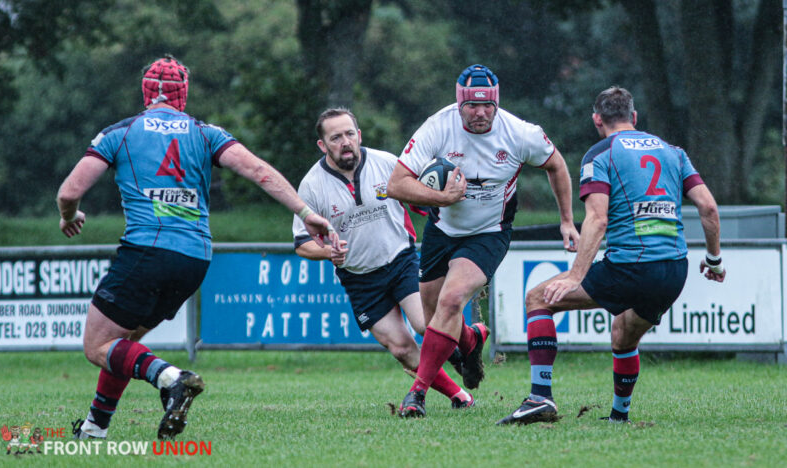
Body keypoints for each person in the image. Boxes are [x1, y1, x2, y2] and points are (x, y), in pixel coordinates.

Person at [58, 55, 337, 440]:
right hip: (194, 259)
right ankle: (95, 427)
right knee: (124, 344)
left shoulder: (119, 133)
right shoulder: (206, 133)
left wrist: (69, 215)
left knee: (97, 346)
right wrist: (306, 213)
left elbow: (69, 191)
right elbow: (259, 171)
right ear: (183, 95)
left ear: (146, 94)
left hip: (147, 250)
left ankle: (172, 379)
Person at [497, 86, 726, 426]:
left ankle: (539, 397)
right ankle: (619, 417)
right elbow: (708, 207)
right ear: (634, 117)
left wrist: (575, 275)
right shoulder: (673, 152)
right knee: (623, 331)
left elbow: (597, 219)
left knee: (538, 299)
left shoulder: (600, 154)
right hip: (675, 271)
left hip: (630, 266)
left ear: (597, 120)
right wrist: (714, 260)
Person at [387, 64, 579, 417]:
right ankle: (471, 339)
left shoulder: (520, 133)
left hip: (489, 233)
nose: (480, 113)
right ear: (459, 103)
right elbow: (396, 184)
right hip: (441, 230)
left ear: (496, 103)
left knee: (451, 301)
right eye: (472, 105)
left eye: (487, 105)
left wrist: (566, 220)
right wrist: (442, 198)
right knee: (432, 320)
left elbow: (557, 165)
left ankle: (416, 395)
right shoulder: (438, 126)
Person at [292, 108, 475, 410]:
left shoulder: (387, 163)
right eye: (335, 137)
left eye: (349, 134)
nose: (345, 142)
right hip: (359, 278)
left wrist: (444, 197)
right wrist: (327, 252)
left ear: (359, 135)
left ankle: (468, 340)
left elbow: (420, 202)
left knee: (425, 325)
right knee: (401, 348)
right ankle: (460, 396)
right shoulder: (312, 185)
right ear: (322, 145)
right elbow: (301, 244)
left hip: (401, 261)